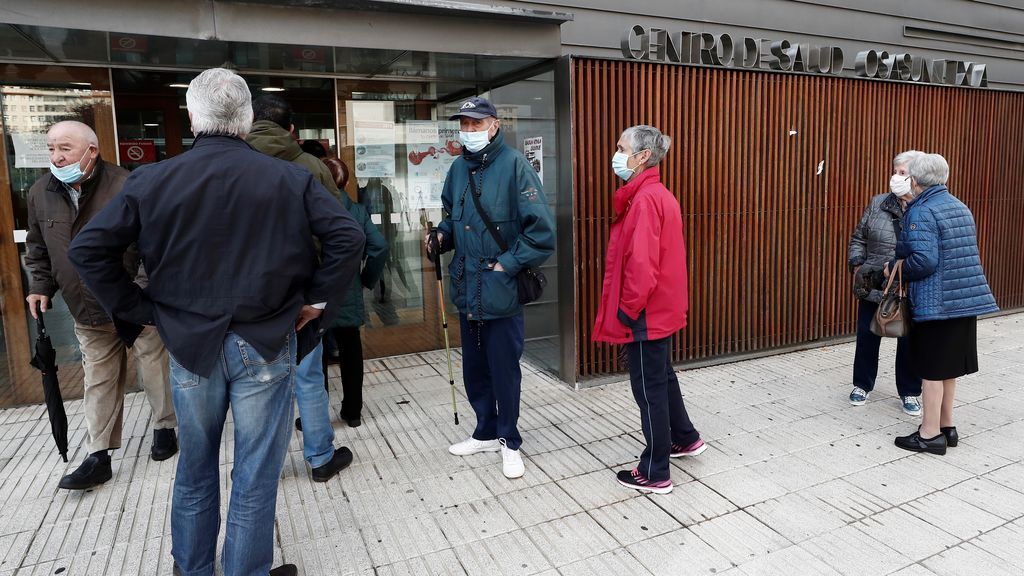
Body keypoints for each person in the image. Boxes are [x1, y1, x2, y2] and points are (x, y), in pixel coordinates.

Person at [68, 67, 365, 576]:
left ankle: (194, 570)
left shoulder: (153, 179)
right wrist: (316, 300)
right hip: (265, 340)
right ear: (247, 119)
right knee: (254, 473)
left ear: (191, 118)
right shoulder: (289, 177)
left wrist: (144, 310)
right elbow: (348, 237)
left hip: (191, 343)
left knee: (195, 466)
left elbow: (88, 249)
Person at [25, 120, 177, 491]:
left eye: (65, 149)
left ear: (91, 151)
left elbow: (152, 246)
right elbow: (37, 245)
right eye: (51, 149)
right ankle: (99, 454)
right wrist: (40, 285)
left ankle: (165, 427)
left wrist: (141, 292)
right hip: (86, 307)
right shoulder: (40, 192)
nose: (56, 157)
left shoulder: (126, 185)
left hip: (133, 302)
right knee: (99, 377)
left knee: (153, 366)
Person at [425, 96, 555, 479]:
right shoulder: (457, 169)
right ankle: (484, 429)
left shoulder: (515, 165)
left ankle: (509, 440)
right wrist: (440, 236)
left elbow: (542, 233)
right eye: (464, 126)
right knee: (474, 368)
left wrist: (506, 264)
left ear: (494, 126)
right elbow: (452, 217)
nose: (468, 132)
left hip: (500, 287)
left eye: (476, 125)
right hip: (467, 287)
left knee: (504, 369)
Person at [592, 125, 705, 495]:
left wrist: (627, 311)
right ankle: (685, 438)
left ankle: (655, 470)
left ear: (642, 157)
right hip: (661, 308)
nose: (617, 154)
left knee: (648, 389)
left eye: (621, 147)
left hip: (646, 312)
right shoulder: (657, 194)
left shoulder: (643, 200)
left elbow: (641, 265)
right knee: (663, 378)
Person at [247, 94, 355, 480]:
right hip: (302, 292)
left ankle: (261, 467)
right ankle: (321, 458)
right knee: (309, 376)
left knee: (255, 384)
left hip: (246, 296)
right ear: (291, 130)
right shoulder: (311, 166)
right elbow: (339, 234)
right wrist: (320, 295)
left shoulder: (230, 164)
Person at [886, 153, 998, 455]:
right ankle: (947, 427)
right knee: (948, 369)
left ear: (916, 180)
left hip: (937, 303)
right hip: (963, 300)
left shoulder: (922, 211)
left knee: (932, 370)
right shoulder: (958, 205)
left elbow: (924, 261)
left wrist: (893, 269)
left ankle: (929, 434)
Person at [847, 151, 923, 415]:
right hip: (874, 282)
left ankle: (910, 391)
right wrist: (857, 262)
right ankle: (862, 385)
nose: (896, 177)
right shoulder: (878, 203)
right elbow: (859, 237)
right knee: (867, 336)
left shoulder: (924, 208)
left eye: (902, 173)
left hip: (909, 285)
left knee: (910, 341)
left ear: (916, 177)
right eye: (896, 171)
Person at [320, 156, 388, 427]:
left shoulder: (309, 209)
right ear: (346, 182)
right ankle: (353, 412)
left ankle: (317, 416)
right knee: (351, 352)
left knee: (316, 358)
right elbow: (380, 247)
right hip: (348, 291)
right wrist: (365, 280)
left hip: (316, 294)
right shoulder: (357, 212)